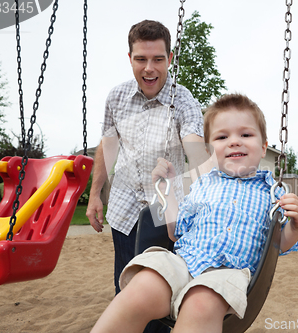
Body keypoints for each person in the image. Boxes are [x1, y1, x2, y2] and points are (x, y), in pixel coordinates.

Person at [91, 94, 298, 333]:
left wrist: (296, 228)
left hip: (226, 274)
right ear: (209, 150)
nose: (234, 142)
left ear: (264, 146)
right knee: (139, 288)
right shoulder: (203, 185)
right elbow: (175, 233)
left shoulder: (273, 193)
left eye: (245, 134)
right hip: (183, 262)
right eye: (223, 137)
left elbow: (277, 245)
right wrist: (168, 191)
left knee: (200, 304)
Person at [86, 20, 210, 333]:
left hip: (162, 212)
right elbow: (108, 147)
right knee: (125, 287)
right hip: (125, 206)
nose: (149, 68)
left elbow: (195, 147)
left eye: (158, 59)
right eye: (141, 59)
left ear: (170, 58)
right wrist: (95, 195)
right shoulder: (116, 98)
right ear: (130, 58)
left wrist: (209, 178)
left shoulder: (183, 101)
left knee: (157, 296)